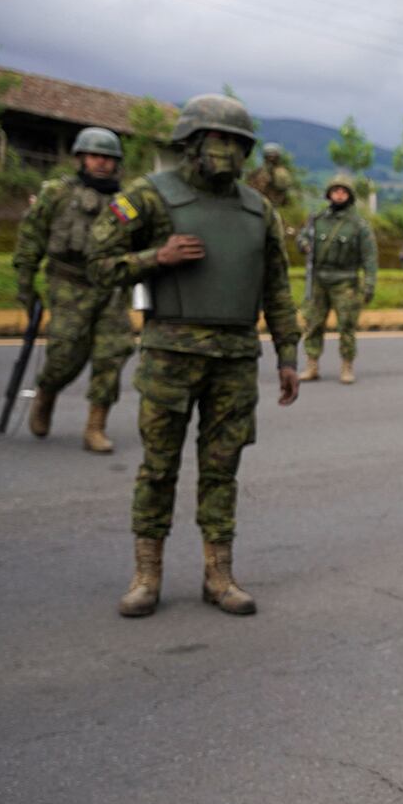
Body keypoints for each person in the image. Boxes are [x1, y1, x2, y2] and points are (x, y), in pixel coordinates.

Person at [87, 92, 301, 618]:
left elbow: (276, 286)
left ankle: (218, 574)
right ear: (192, 143)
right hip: (169, 357)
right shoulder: (150, 197)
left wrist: (288, 353)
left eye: (237, 143)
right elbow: (97, 260)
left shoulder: (259, 211)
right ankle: (146, 575)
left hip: (235, 359)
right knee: (158, 468)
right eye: (218, 139)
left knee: (222, 469)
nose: (227, 151)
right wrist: (155, 257)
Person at [12, 126, 134, 453]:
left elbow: (139, 241)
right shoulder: (57, 194)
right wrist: (26, 287)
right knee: (64, 354)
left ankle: (96, 426)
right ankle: (46, 394)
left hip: (111, 289)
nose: (101, 164)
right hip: (68, 283)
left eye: (108, 158)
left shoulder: (125, 203)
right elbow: (30, 239)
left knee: (113, 354)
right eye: (95, 156)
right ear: (81, 157)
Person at [295, 172, 377, 385]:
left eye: (343, 191)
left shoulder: (358, 226)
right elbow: (302, 237)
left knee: (346, 326)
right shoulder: (318, 221)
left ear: (349, 196)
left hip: (345, 281)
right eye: (335, 191)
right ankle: (312, 364)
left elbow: (369, 257)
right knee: (313, 323)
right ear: (329, 194)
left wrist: (369, 284)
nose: (339, 195)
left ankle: (347, 365)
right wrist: (304, 244)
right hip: (319, 279)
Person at [246, 141, 299, 212]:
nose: (271, 159)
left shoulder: (282, 173)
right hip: (260, 208)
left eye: (272, 156)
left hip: (274, 208)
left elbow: (284, 190)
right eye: (269, 156)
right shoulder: (256, 173)